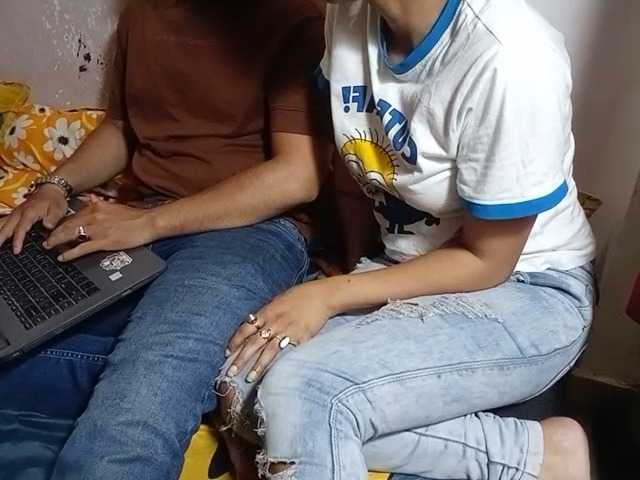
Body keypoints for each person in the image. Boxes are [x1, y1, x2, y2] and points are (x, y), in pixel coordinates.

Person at [219, 0, 597, 479]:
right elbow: (361, 164)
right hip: (407, 264)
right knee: (242, 381)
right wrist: (351, 266)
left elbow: (489, 260)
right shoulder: (350, 14)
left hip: (529, 287)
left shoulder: (512, 55)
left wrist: (328, 295)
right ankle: (534, 455)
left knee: (303, 389)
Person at [0, 0, 329, 478]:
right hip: (139, 216)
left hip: (250, 229)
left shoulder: (294, 16)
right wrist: (55, 186)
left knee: (151, 375)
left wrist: (147, 224)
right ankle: (214, 384)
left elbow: (298, 176)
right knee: (20, 317)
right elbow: (121, 129)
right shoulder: (141, 14)